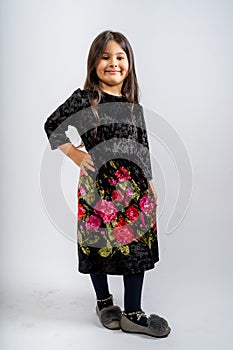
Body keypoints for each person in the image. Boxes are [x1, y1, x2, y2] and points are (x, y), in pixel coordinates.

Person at [44, 30, 171, 338]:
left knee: (135, 246)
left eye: (119, 57)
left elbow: (142, 144)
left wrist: (150, 180)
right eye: (105, 57)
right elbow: (52, 124)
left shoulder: (131, 104)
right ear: (94, 62)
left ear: (129, 64)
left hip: (135, 190)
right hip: (97, 186)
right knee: (97, 244)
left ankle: (133, 311)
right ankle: (104, 302)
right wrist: (74, 153)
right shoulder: (86, 99)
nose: (113, 63)